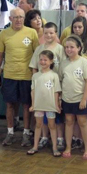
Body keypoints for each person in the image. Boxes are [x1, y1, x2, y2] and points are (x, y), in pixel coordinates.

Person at [0, 8, 39, 147]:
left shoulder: (32, 33)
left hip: (27, 76)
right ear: (10, 19)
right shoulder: (4, 34)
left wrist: (37, 75)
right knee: (9, 105)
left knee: (26, 105)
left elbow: (37, 55)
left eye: (21, 17)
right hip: (9, 75)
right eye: (16, 17)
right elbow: (0, 56)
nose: (18, 19)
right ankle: (10, 133)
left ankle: (26, 134)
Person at [29, 22, 66, 150]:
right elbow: (34, 66)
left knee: (56, 113)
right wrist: (36, 82)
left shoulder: (60, 49)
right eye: (46, 33)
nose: (48, 35)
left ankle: (60, 138)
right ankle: (44, 137)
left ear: (56, 34)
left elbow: (63, 68)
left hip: (55, 87)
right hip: (41, 89)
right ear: (43, 33)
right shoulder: (39, 48)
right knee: (41, 115)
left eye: (51, 33)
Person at [60, 35, 87, 159]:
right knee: (69, 122)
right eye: (67, 47)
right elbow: (61, 80)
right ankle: (68, 147)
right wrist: (60, 98)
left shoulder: (84, 62)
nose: (69, 49)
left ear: (79, 48)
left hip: (80, 99)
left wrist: (84, 98)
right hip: (67, 98)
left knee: (82, 122)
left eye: (72, 47)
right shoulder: (63, 63)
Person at [27, 50, 62, 157]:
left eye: (45, 60)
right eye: (41, 59)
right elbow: (33, 91)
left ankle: (55, 147)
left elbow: (56, 91)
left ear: (51, 61)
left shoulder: (54, 75)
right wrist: (33, 104)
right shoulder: (35, 76)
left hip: (50, 105)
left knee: (52, 125)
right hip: (38, 105)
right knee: (38, 125)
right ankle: (35, 146)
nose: (42, 62)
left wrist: (56, 105)